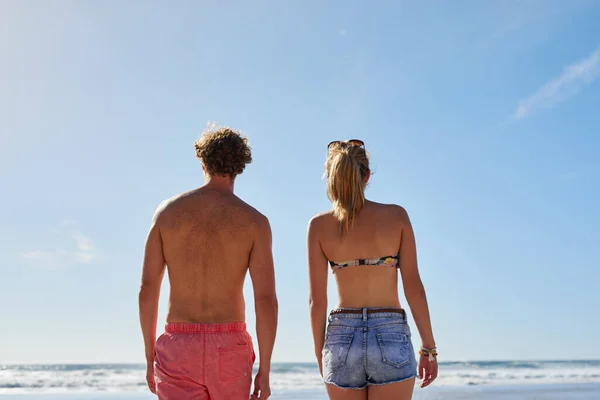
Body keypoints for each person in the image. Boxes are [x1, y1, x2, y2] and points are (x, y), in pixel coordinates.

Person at [139, 127, 278, 400]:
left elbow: (147, 289)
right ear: (240, 166)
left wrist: (149, 355)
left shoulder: (167, 213)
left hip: (178, 346)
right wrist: (265, 368)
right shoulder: (255, 222)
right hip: (230, 347)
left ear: (202, 162)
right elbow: (265, 301)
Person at [307, 139, 437, 400]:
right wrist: (428, 348)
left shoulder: (319, 226)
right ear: (366, 176)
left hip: (341, 337)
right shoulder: (397, 217)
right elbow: (414, 288)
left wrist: (321, 353)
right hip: (390, 331)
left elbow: (316, 301)